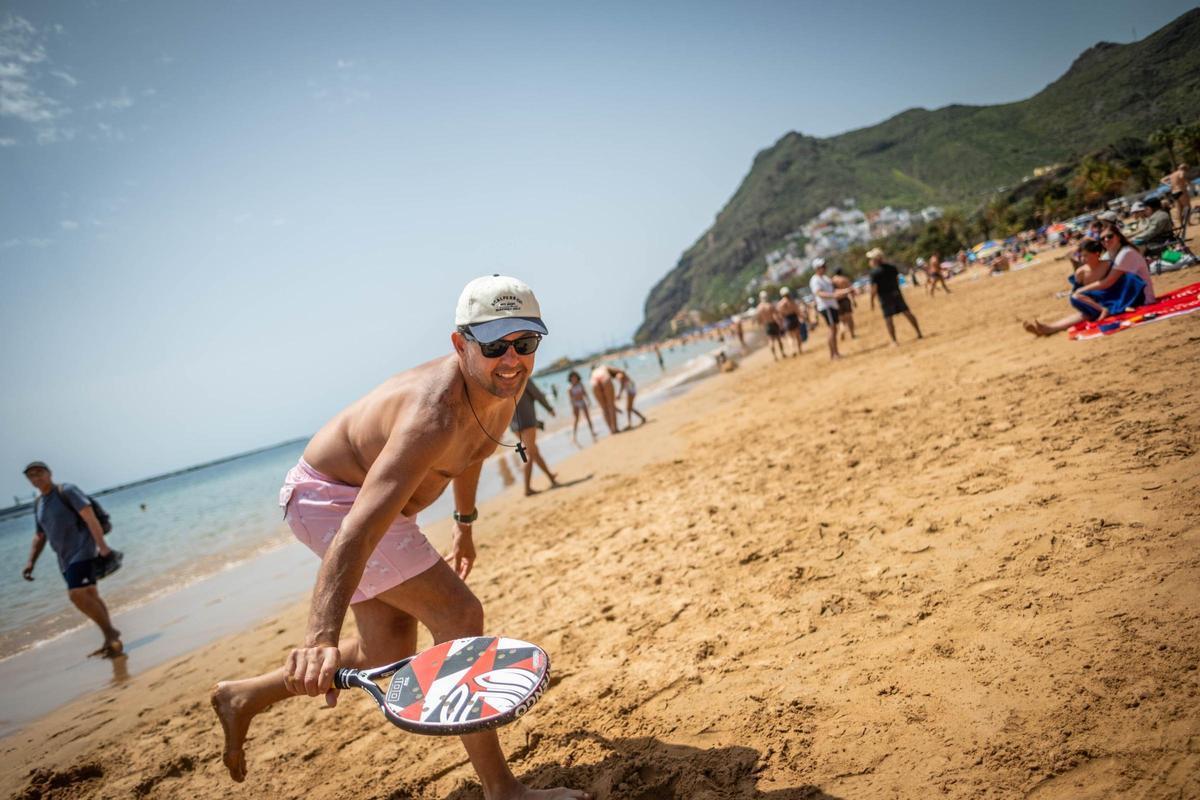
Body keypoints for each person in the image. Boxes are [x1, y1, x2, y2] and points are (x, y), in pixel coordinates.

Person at [210, 275, 589, 800]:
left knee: (384, 648)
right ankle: (503, 791)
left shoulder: (504, 385)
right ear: (461, 345)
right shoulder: (433, 413)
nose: (512, 358)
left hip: (358, 505)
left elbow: (474, 451)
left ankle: (243, 696)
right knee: (459, 616)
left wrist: (465, 525)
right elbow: (359, 527)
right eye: (495, 345)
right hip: (333, 500)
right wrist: (318, 635)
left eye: (524, 343)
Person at [21, 461, 124, 658]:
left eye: (39, 472)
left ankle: (111, 634)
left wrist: (102, 547)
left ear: (49, 473)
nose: (36, 477)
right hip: (64, 558)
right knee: (90, 595)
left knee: (76, 595)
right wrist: (31, 562)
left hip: (83, 550)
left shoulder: (67, 490)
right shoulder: (38, 503)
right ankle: (110, 636)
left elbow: (90, 517)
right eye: (31, 475)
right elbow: (40, 535)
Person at [1023, 237, 1148, 337]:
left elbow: (1121, 284)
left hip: (1116, 299)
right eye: (1081, 256)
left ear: (1097, 254)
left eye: (1086, 256)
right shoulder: (1081, 272)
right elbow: (1078, 294)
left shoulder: (1109, 265)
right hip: (1096, 304)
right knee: (1082, 308)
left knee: (1084, 312)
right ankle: (1049, 328)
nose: (1083, 259)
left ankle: (1050, 329)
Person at [866, 248, 923, 346]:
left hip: (884, 298)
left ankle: (894, 341)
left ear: (875, 259)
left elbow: (873, 289)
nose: (870, 261)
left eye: (871, 259)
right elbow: (897, 281)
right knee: (907, 313)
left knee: (888, 319)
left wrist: (871, 301)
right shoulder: (892, 267)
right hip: (896, 293)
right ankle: (919, 333)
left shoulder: (874, 273)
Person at [511, 381, 558, 496]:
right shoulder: (523, 377)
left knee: (533, 451)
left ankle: (550, 476)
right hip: (527, 422)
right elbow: (537, 394)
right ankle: (527, 489)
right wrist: (549, 408)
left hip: (513, 425)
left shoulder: (503, 382)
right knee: (529, 454)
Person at [808, 258, 846, 360]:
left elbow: (834, 290)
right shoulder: (815, 280)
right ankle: (833, 354)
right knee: (832, 329)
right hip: (826, 307)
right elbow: (819, 293)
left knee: (834, 329)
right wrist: (833, 295)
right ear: (817, 268)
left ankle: (836, 352)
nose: (824, 268)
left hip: (832, 305)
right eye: (822, 266)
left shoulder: (825, 278)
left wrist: (845, 291)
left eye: (824, 266)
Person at [566, 370, 597, 445]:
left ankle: (592, 432)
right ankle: (574, 436)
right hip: (575, 404)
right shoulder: (569, 388)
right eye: (572, 378)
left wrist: (588, 400)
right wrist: (576, 400)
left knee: (588, 417)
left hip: (582, 402)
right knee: (576, 420)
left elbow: (585, 393)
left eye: (575, 377)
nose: (574, 379)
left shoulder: (580, 385)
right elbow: (571, 399)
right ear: (570, 379)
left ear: (577, 377)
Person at [754, 289, 785, 361]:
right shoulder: (770, 305)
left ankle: (775, 356)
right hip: (773, 323)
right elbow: (777, 315)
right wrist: (780, 323)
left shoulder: (759, 308)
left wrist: (761, 326)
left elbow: (758, 320)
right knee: (778, 339)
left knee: (771, 341)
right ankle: (782, 353)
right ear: (766, 297)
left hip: (767, 325)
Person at [590, 363, 620, 434]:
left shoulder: (593, 372)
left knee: (604, 408)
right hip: (605, 378)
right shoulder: (603, 367)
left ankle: (611, 430)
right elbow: (617, 370)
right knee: (611, 405)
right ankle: (615, 428)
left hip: (594, 382)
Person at [775, 286, 805, 356]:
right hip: (794, 318)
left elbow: (779, 315)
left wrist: (780, 324)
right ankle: (799, 350)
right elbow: (797, 311)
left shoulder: (780, 304)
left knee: (790, 337)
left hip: (787, 320)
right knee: (797, 336)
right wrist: (803, 317)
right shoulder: (792, 302)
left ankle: (793, 350)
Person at [1161, 163, 1191, 229]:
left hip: (1174, 192)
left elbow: (1162, 180)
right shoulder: (1182, 171)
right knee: (1187, 207)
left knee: (1179, 209)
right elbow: (1182, 176)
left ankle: (1181, 224)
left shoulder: (1173, 174)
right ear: (1185, 168)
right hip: (1181, 191)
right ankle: (1188, 222)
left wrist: (1169, 185)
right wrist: (1187, 182)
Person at [831, 268, 856, 340]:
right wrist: (853, 300)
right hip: (845, 300)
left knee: (841, 320)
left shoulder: (832, 280)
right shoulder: (844, 279)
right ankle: (852, 334)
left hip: (837, 301)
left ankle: (842, 330)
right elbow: (851, 289)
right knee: (849, 318)